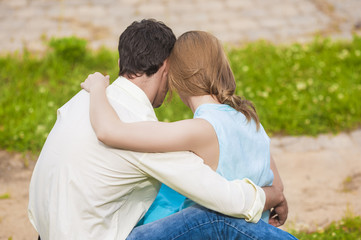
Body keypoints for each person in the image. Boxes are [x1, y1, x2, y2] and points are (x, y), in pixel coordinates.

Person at [28, 19, 287, 240]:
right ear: (166, 68)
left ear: (122, 61)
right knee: (212, 215)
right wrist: (271, 194)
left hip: (47, 231)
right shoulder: (138, 130)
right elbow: (227, 198)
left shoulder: (82, 99)